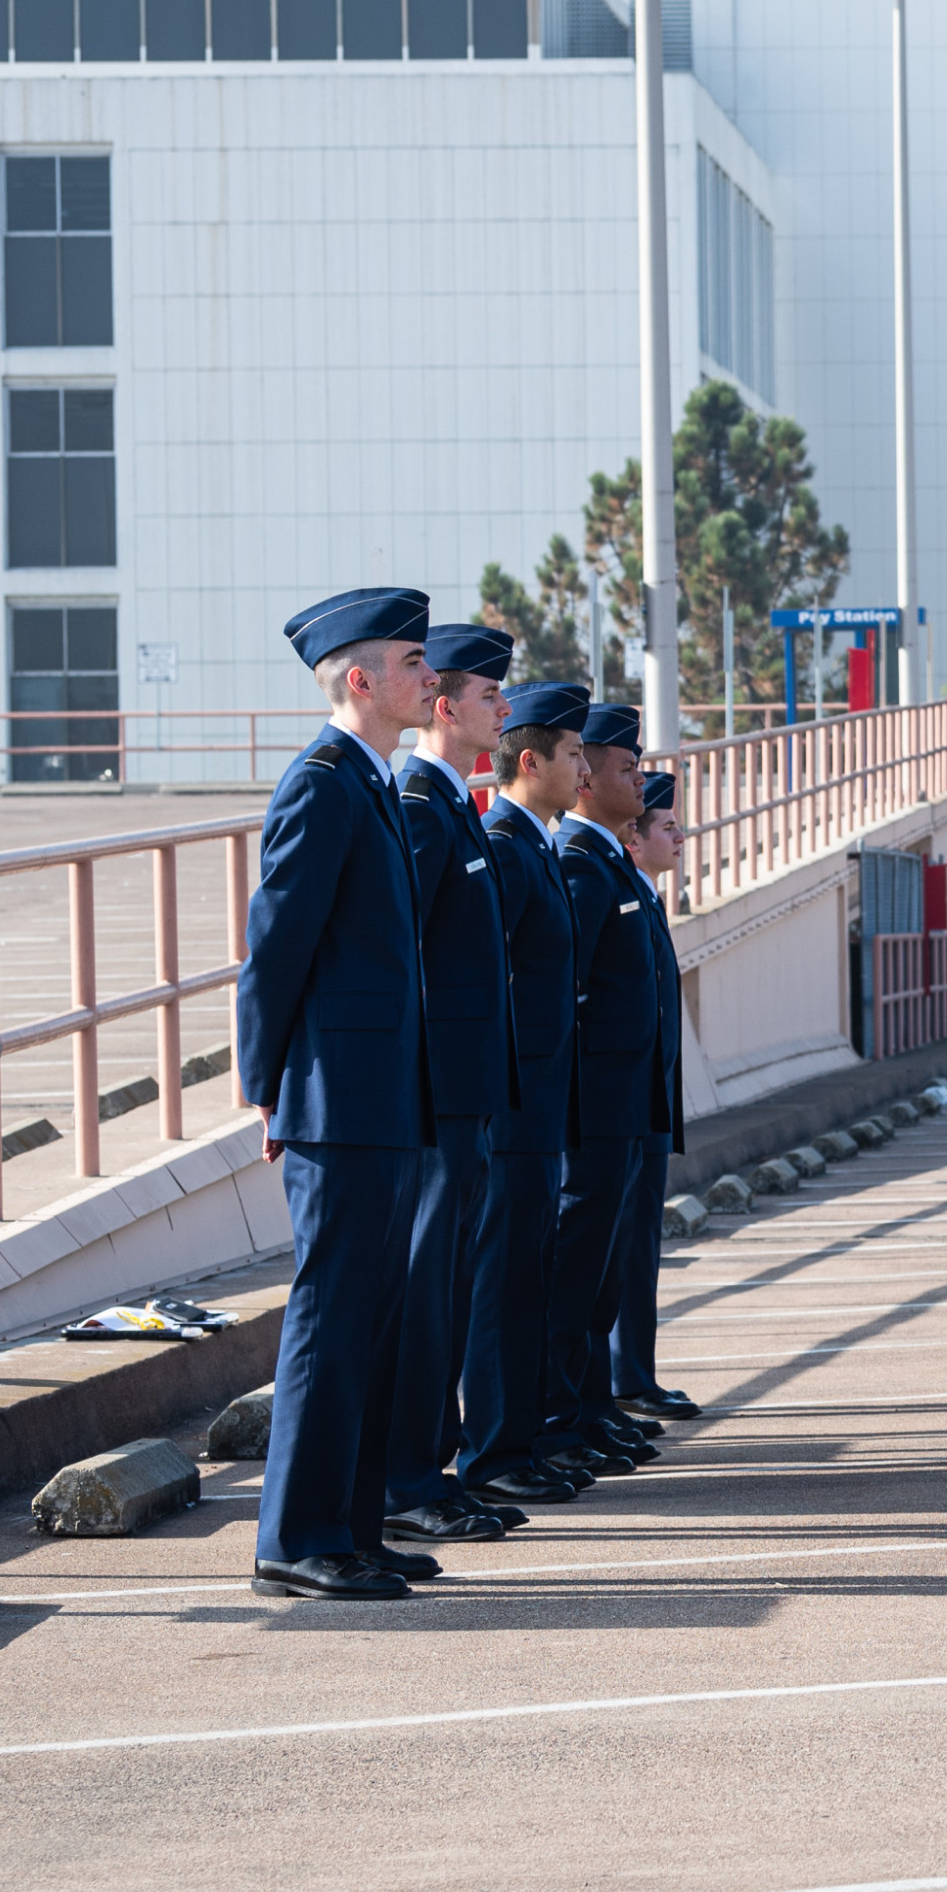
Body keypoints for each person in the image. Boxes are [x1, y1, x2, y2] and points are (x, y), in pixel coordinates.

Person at [231, 586, 439, 1603]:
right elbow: (276, 950)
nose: (427, 677)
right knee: (330, 1313)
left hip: (383, 1097)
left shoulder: (372, 782)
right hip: (334, 1098)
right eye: (411, 661)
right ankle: (295, 1534)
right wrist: (266, 1084)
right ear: (360, 679)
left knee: (372, 1320)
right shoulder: (320, 784)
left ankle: (351, 1527)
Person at [382, 623, 519, 1549]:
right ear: (445, 707)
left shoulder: (455, 804)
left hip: (466, 1089)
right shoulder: (423, 806)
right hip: (435, 1093)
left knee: (452, 1281)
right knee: (427, 1291)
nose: (502, 710)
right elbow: (408, 957)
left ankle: (436, 1463)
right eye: (487, 697)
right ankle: (408, 1478)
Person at [462, 681, 589, 1510]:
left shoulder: (535, 841)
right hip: (510, 1104)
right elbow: (489, 971)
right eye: (573, 754)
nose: (584, 769)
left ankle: (521, 1437)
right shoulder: (505, 843)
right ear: (530, 760)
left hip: (539, 1097)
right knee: (501, 1281)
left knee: (528, 1276)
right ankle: (493, 1448)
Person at [548, 706, 672, 1482]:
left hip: (625, 1100)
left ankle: (591, 1409)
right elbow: (573, 990)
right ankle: (566, 1415)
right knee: (575, 1272)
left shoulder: (613, 864)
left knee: (599, 1276)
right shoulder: (579, 862)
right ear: (583, 773)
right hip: (593, 1104)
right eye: (625, 767)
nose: (637, 777)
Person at [612, 769, 699, 1426]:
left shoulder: (645, 896)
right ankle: (617, 1381)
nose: (681, 835)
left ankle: (633, 1373)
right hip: (618, 1102)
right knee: (613, 1248)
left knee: (640, 1242)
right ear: (635, 840)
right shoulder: (608, 885)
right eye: (667, 826)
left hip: (647, 1100)